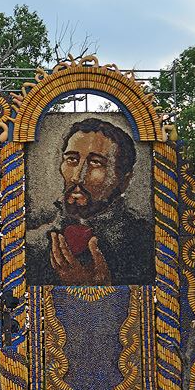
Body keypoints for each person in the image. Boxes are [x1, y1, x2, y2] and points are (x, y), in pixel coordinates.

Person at [25, 116, 151, 286]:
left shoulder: (145, 243)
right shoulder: (33, 245)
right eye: (71, 160)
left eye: (95, 163)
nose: (77, 177)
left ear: (124, 179)